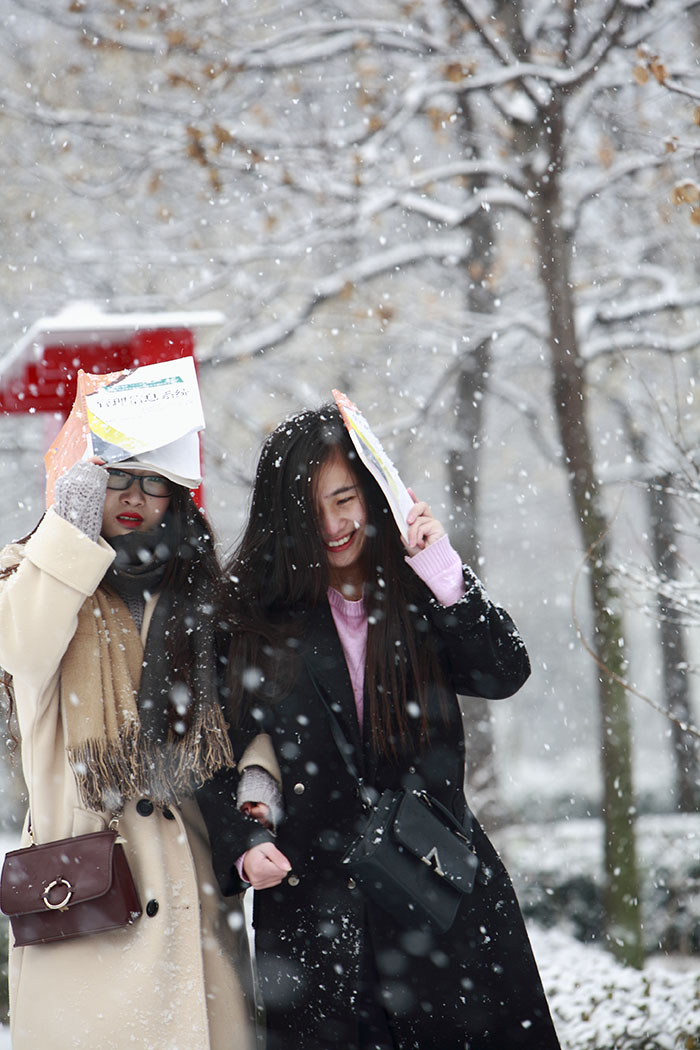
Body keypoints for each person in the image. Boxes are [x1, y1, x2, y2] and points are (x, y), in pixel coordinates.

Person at [207, 404, 561, 1050]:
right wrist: (243, 841)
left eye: (345, 499)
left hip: (437, 887)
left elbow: (503, 672)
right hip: (315, 913)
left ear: (372, 494)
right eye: (311, 511)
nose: (334, 526)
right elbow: (208, 756)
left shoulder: (417, 588)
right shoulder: (251, 621)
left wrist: (444, 572)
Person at [0, 453, 261, 1050]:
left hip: (188, 884)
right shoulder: (34, 577)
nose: (133, 495)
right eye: (116, 476)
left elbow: (247, 719)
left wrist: (258, 780)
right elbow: (23, 650)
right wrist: (71, 526)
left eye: (154, 482)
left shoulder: (201, 592)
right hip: (84, 890)